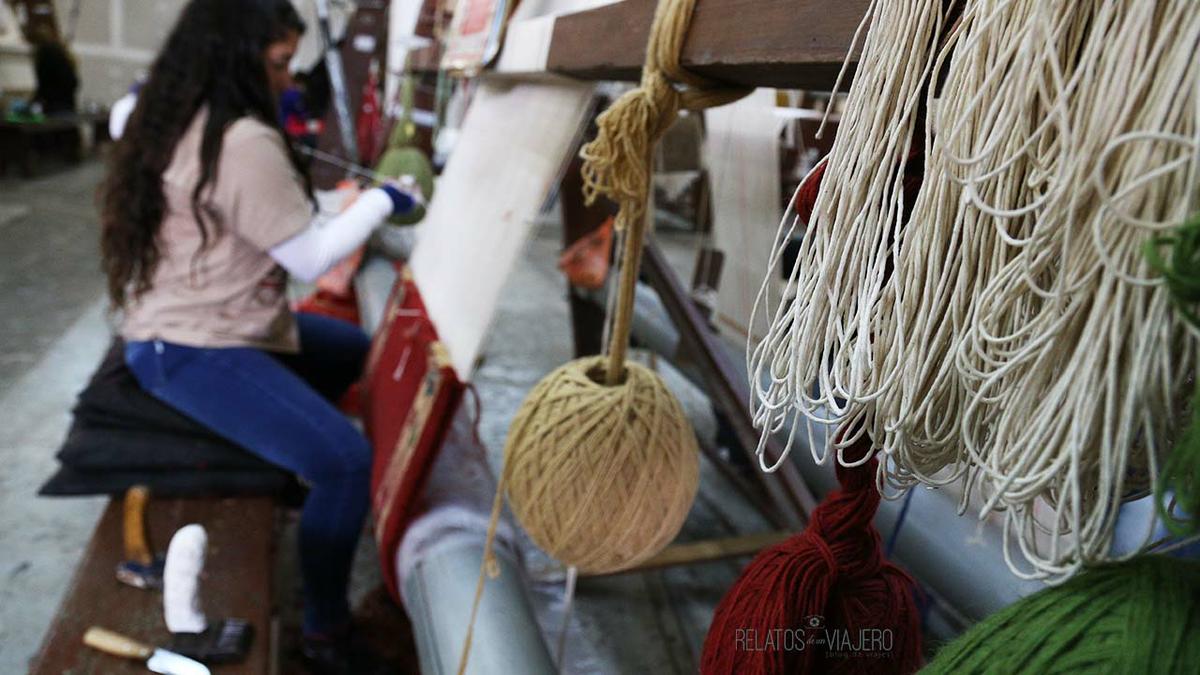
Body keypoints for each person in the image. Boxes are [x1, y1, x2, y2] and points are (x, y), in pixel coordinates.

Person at [98, 1, 415, 672]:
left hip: (205, 325)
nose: (285, 80)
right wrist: (388, 200)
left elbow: (273, 219)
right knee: (345, 460)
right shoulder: (238, 138)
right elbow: (309, 258)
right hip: (191, 348)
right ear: (235, 60)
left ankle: (295, 469)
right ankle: (326, 628)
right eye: (275, 65)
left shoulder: (167, 115)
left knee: (364, 355)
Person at [29, 23, 78, 116]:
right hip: (67, 106)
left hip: (54, 108)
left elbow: (44, 84)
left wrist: (33, 103)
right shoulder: (61, 53)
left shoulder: (45, 53)